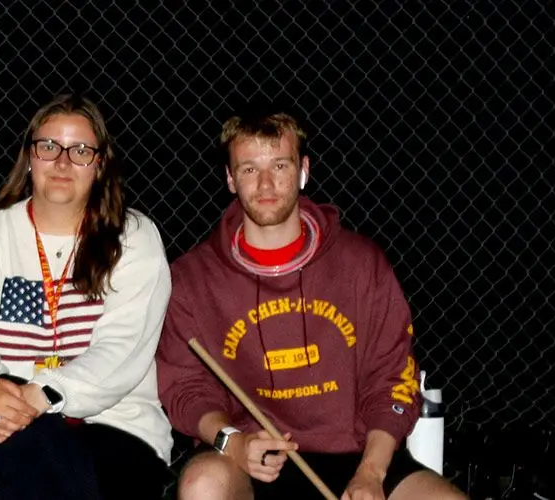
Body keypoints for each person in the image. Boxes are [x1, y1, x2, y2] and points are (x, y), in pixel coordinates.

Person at [158, 106, 465, 499]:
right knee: (203, 483)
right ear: (230, 179)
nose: (266, 184)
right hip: (254, 459)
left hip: (358, 456)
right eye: (249, 169)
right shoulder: (193, 277)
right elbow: (185, 387)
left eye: (280, 166)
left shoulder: (360, 263)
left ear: (304, 170)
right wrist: (231, 441)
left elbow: (392, 378)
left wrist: (371, 473)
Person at [0, 94, 175, 500]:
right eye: (49, 147)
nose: (63, 162)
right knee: (8, 460)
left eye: (81, 151)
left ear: (100, 165)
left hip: (115, 423)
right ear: (29, 157)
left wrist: (41, 394)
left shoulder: (134, 238)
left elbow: (123, 350)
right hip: (1, 414)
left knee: (9, 483)